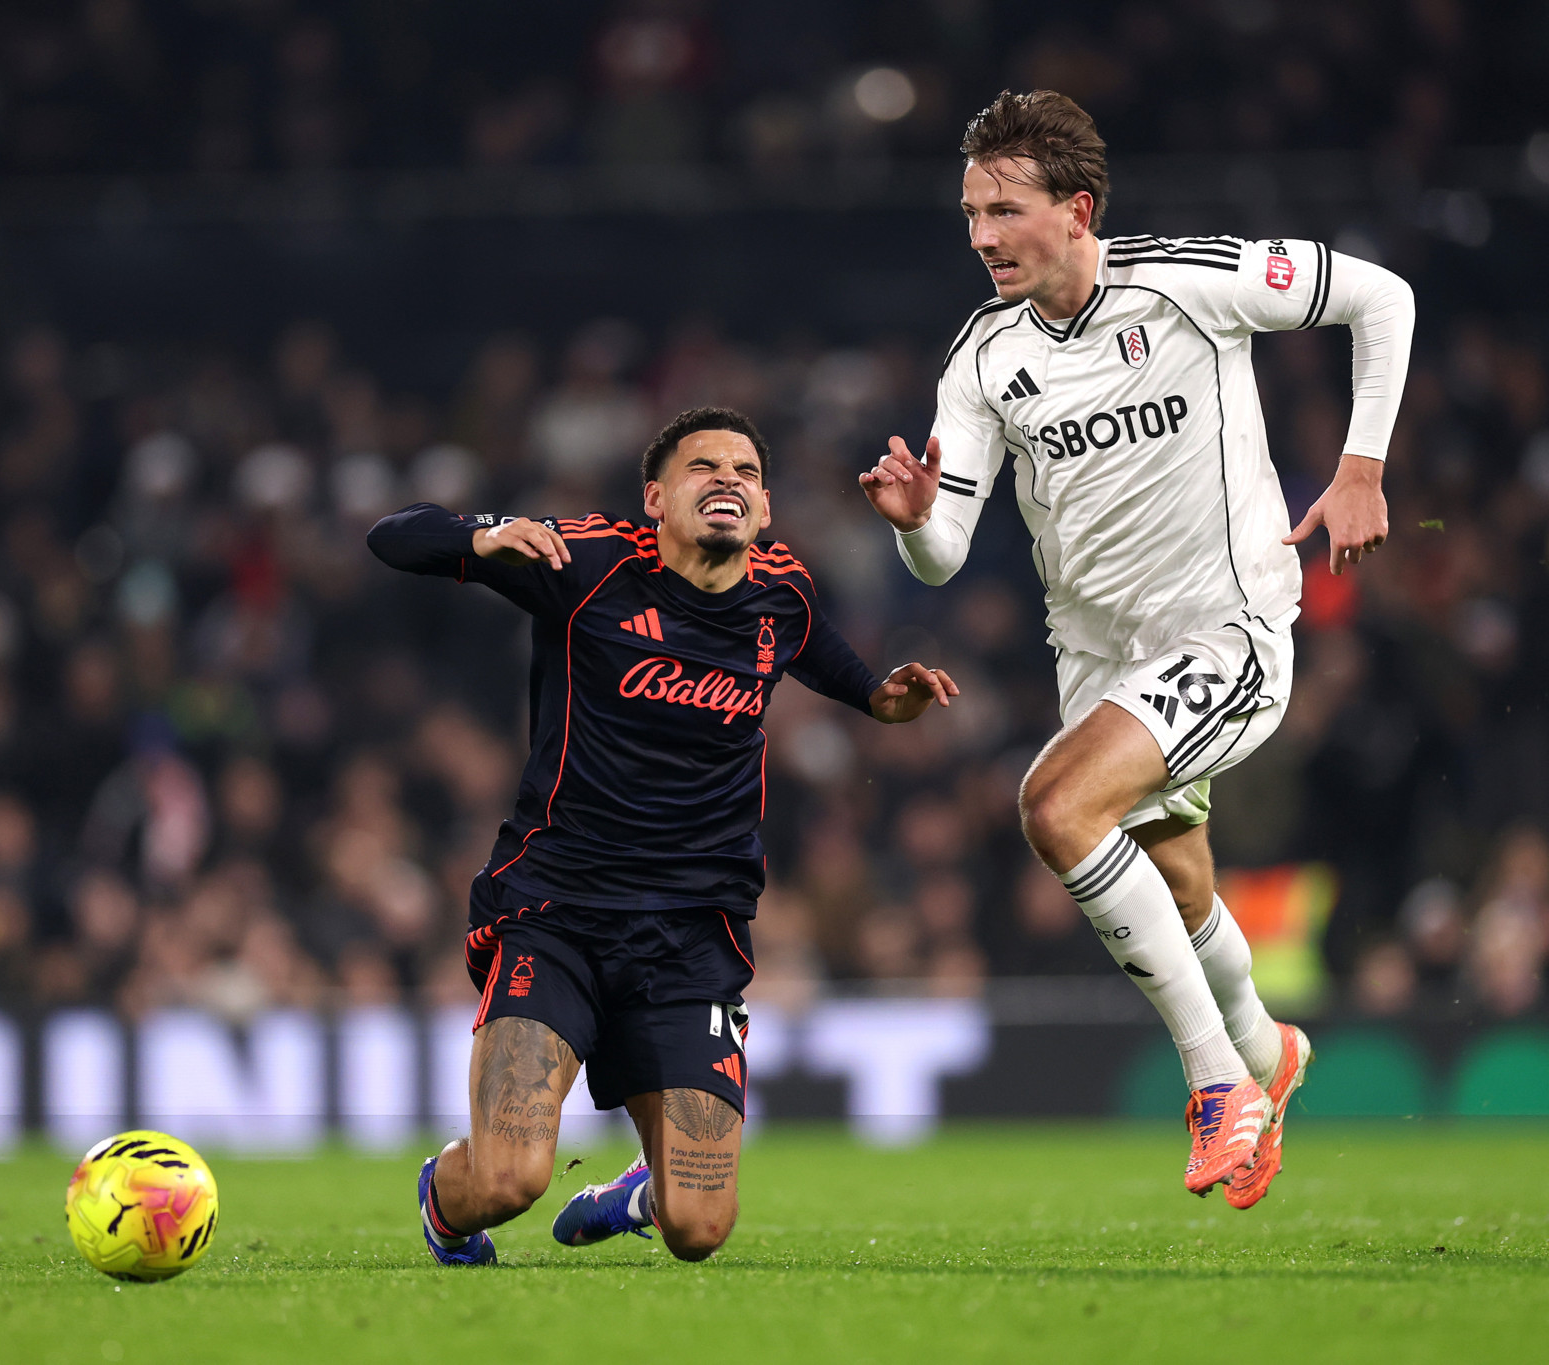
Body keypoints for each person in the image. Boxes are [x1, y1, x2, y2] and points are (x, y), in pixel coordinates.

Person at [861, 91, 1414, 1206]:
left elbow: (1380, 296)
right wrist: (916, 520)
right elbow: (943, 555)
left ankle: (1216, 1084)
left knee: (1055, 806)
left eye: (1003, 211)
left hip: (1227, 633)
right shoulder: (982, 358)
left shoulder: (1185, 283)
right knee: (1173, 880)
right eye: (970, 214)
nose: (981, 237)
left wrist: (1360, 467)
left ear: (1076, 211)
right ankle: (1264, 1049)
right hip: (1099, 667)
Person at [369, 406, 957, 1263]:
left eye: (746, 472)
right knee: (507, 1181)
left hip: (693, 929)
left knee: (700, 1228)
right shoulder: (587, 562)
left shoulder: (783, 594)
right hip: (558, 909)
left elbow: (848, 676)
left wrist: (887, 698)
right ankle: (444, 1200)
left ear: (764, 508)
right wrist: (482, 537)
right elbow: (393, 536)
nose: (728, 480)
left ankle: (639, 1191)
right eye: (703, 467)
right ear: (655, 498)